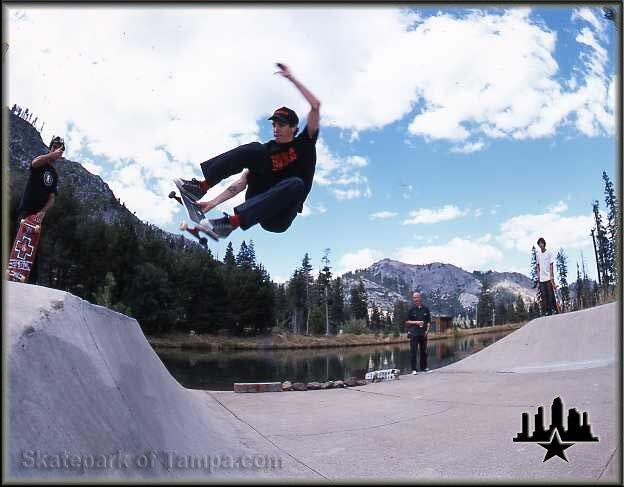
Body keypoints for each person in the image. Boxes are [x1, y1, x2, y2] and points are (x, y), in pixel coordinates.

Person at [174, 62, 321, 239]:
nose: (276, 129)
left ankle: (232, 222)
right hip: (258, 202)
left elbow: (315, 105)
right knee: (255, 150)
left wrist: (291, 79)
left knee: (296, 184)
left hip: (280, 216)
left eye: (281, 125)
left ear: (294, 128)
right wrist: (211, 204)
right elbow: (240, 184)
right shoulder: (267, 151)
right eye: (274, 125)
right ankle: (201, 187)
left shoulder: (305, 144)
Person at [14, 135, 63, 282]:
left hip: (38, 216)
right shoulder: (41, 162)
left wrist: (43, 212)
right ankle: (12, 274)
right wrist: (51, 155)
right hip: (26, 210)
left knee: (33, 248)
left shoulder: (54, 175)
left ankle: (30, 281)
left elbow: (52, 198)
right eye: (54, 147)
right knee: (19, 241)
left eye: (60, 150)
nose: (57, 150)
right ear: (50, 148)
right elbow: (34, 163)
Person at [405, 292, 431, 374]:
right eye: (414, 298)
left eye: (416, 297)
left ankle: (424, 368)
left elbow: (428, 321)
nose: (415, 299)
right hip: (414, 333)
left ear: (420, 298)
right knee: (414, 351)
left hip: (423, 333)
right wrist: (416, 322)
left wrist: (427, 331)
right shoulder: (411, 309)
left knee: (424, 351)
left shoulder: (425, 309)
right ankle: (414, 369)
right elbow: (407, 321)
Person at [536, 237, 557, 316]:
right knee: (544, 295)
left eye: (541, 243)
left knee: (550, 294)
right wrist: (538, 276)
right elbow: (538, 266)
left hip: (548, 277)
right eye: (539, 244)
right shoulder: (538, 255)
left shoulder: (549, 253)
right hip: (542, 278)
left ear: (544, 244)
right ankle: (547, 311)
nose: (540, 245)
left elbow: (551, 265)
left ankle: (554, 309)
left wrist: (552, 276)